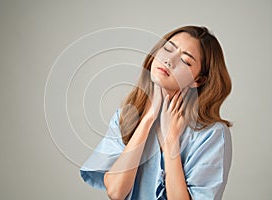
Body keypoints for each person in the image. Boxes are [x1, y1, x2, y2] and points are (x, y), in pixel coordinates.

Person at [80, 25, 232, 200]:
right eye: (168, 49)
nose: (169, 61)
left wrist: (171, 142)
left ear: (198, 80)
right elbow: (116, 192)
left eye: (185, 60)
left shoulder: (211, 134)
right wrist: (147, 119)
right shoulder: (125, 117)